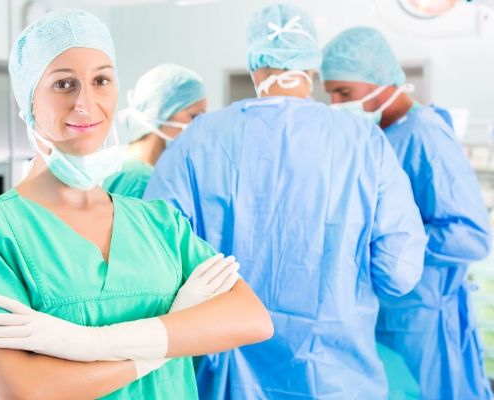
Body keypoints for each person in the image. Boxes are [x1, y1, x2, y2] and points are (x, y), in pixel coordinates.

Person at [0, 9, 273, 400]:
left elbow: (251, 318)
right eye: (63, 84)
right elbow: (21, 392)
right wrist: (162, 342)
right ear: (28, 99)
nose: (85, 102)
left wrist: (93, 344)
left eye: (101, 80)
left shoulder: (159, 222)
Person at [144, 4, 427, 399]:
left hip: (229, 374)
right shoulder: (362, 141)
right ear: (312, 66)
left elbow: (154, 257)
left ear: (255, 63)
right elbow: (398, 272)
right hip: (336, 376)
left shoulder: (199, 139)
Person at [321, 26, 492, 400]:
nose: (335, 103)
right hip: (390, 311)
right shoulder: (379, 136)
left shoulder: (424, 135)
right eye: (330, 92)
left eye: (344, 92)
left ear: (379, 81)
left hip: (422, 318)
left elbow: (470, 235)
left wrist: (389, 248)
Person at [103, 63, 207, 198]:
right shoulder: (140, 180)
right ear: (161, 112)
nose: (200, 125)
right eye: (194, 116)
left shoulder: (120, 164)